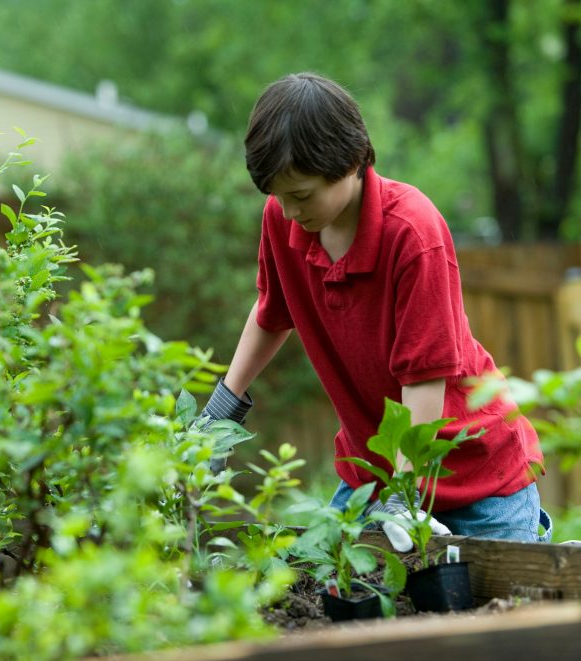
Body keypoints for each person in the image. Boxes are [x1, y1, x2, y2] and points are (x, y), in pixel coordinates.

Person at [200, 72, 551, 551]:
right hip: (375, 476)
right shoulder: (284, 221)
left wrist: (406, 495)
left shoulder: (411, 231)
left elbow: (424, 379)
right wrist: (219, 415)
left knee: (490, 614)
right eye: (276, 196)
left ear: (349, 162)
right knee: (338, 599)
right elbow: (271, 311)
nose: (286, 211)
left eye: (301, 195)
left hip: (477, 480)